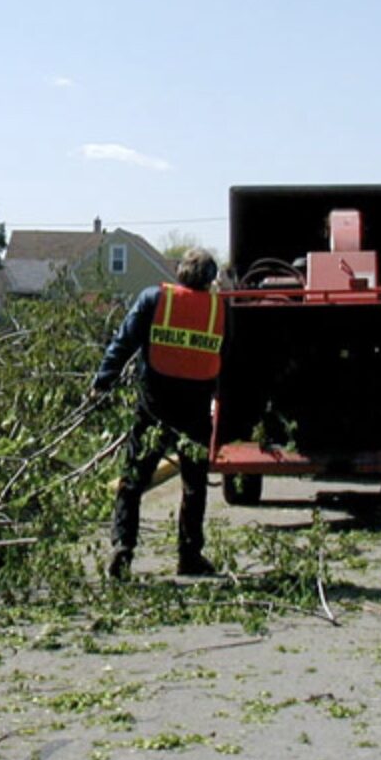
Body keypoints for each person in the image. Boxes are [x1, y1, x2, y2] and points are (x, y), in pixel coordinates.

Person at [90, 248, 224, 579]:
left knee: (133, 480)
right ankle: (189, 556)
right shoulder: (219, 311)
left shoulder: (155, 299)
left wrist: (102, 381)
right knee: (194, 485)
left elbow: (123, 341)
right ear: (210, 279)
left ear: (180, 271)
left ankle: (123, 547)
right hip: (194, 411)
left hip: (154, 408)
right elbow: (230, 358)